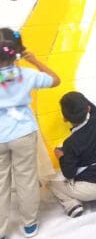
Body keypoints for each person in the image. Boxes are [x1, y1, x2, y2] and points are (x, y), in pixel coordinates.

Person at [0, 28, 60, 239]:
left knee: (0, 183)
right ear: (17, 51)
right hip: (23, 134)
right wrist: (34, 61)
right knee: (26, 180)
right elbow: (55, 80)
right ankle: (29, 225)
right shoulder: (28, 75)